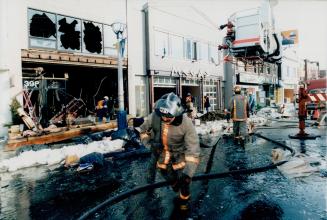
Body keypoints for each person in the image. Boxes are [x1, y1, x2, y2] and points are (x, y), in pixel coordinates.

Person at [139, 92, 200, 211]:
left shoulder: (186, 124)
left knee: (184, 182)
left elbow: (193, 150)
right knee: (168, 176)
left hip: (180, 153)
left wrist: (188, 173)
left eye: (169, 117)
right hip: (162, 153)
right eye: (163, 116)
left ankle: (184, 201)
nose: (165, 119)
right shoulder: (155, 116)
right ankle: (174, 185)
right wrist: (148, 144)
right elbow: (143, 130)